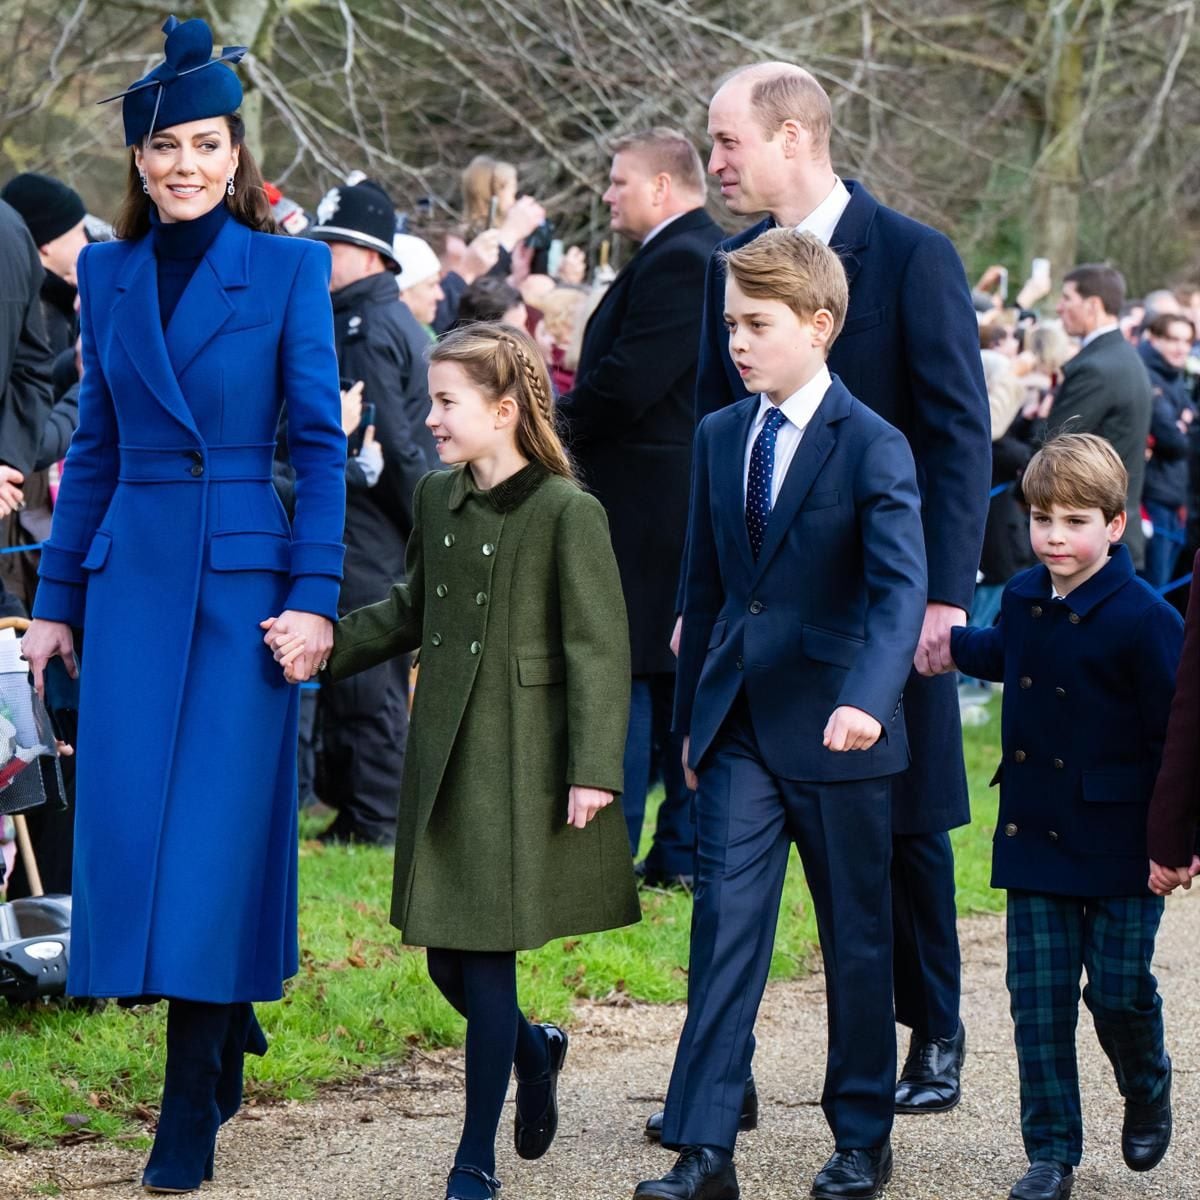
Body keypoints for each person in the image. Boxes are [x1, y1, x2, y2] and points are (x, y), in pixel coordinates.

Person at [18, 15, 347, 1193]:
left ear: (236, 151)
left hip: (249, 586)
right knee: (125, 830)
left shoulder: (291, 267)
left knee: (211, 834)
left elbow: (313, 442)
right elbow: (94, 446)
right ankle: (223, 1010)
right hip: (134, 573)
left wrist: (316, 599)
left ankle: (190, 1094)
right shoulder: (104, 273)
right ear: (140, 160)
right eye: (165, 149)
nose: (185, 166)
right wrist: (56, 600)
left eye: (206, 144)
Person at [686, 61, 990, 1126]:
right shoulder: (730, 270)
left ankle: (933, 1025)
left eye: (728, 141)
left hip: (888, 605)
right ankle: (727, 1076)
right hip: (769, 612)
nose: (714, 160)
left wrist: (943, 596)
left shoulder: (912, 256)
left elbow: (959, 432)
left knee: (904, 828)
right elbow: (709, 431)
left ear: (793, 138)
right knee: (743, 858)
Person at [285, 323, 639, 1200]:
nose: (430, 418)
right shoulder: (438, 499)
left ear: (504, 410)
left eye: (446, 402)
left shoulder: (569, 511)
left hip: (523, 758)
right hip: (444, 745)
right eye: (432, 400)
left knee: (484, 959)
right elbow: (410, 607)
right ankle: (534, 1047)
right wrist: (324, 644)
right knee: (446, 959)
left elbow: (599, 648)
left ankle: (472, 1157)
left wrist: (595, 766)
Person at [635, 229, 926, 1200]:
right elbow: (704, 594)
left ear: (820, 325)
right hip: (739, 728)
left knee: (855, 943)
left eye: (756, 325)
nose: (738, 344)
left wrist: (869, 700)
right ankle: (705, 1147)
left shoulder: (875, 444)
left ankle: (859, 1139)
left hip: (843, 732)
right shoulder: (722, 436)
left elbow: (898, 593)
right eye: (730, 325)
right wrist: (688, 727)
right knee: (724, 929)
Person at [937, 434, 1181, 1200]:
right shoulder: (1020, 595)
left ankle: (1147, 1079)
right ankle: (1050, 1153)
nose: (1053, 536)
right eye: (1042, 518)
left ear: (1115, 525)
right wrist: (941, 644)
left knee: (1115, 992)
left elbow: (1178, 737)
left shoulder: (1146, 620)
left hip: (1122, 841)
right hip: (1036, 831)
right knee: (1036, 1004)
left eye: (1074, 521)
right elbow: (1006, 652)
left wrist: (1179, 841)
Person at [556, 128, 723, 889]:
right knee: (651, 677)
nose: (607, 194)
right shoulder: (674, 255)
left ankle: (628, 844)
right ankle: (668, 849)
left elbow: (627, 383)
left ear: (661, 186)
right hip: (647, 501)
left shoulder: (685, 259)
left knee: (631, 675)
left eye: (619, 182)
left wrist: (539, 422)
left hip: (651, 506)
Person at [304, 180, 438, 845]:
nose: (323, 255)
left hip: (373, 525)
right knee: (353, 670)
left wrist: (430, 524)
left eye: (336, 244)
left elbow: (389, 440)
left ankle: (376, 816)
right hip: (370, 520)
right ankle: (358, 808)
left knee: (368, 675)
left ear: (372, 255)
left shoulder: (366, 327)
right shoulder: (363, 317)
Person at [1049, 264, 1153, 569]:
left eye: (1067, 298)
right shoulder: (1119, 356)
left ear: (1093, 304)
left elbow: (1054, 449)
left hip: (1093, 541)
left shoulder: (1097, 366)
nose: (1059, 307)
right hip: (1105, 531)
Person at [0, 173, 88, 355]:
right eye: (79, 231)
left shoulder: (61, 301)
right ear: (47, 243)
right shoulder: (43, 316)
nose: (87, 241)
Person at [1139, 313, 1197, 589]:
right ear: (1154, 338)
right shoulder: (1148, 374)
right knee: (1152, 585)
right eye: (1173, 339)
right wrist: (1180, 424)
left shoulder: (1175, 375)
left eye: (1187, 341)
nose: (1181, 348)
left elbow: (1191, 418)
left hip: (1174, 494)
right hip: (1153, 494)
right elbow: (1173, 439)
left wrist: (1182, 423)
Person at [393, 232, 445, 332]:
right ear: (401, 293)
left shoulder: (424, 333)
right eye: (431, 285)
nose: (440, 295)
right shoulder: (387, 343)